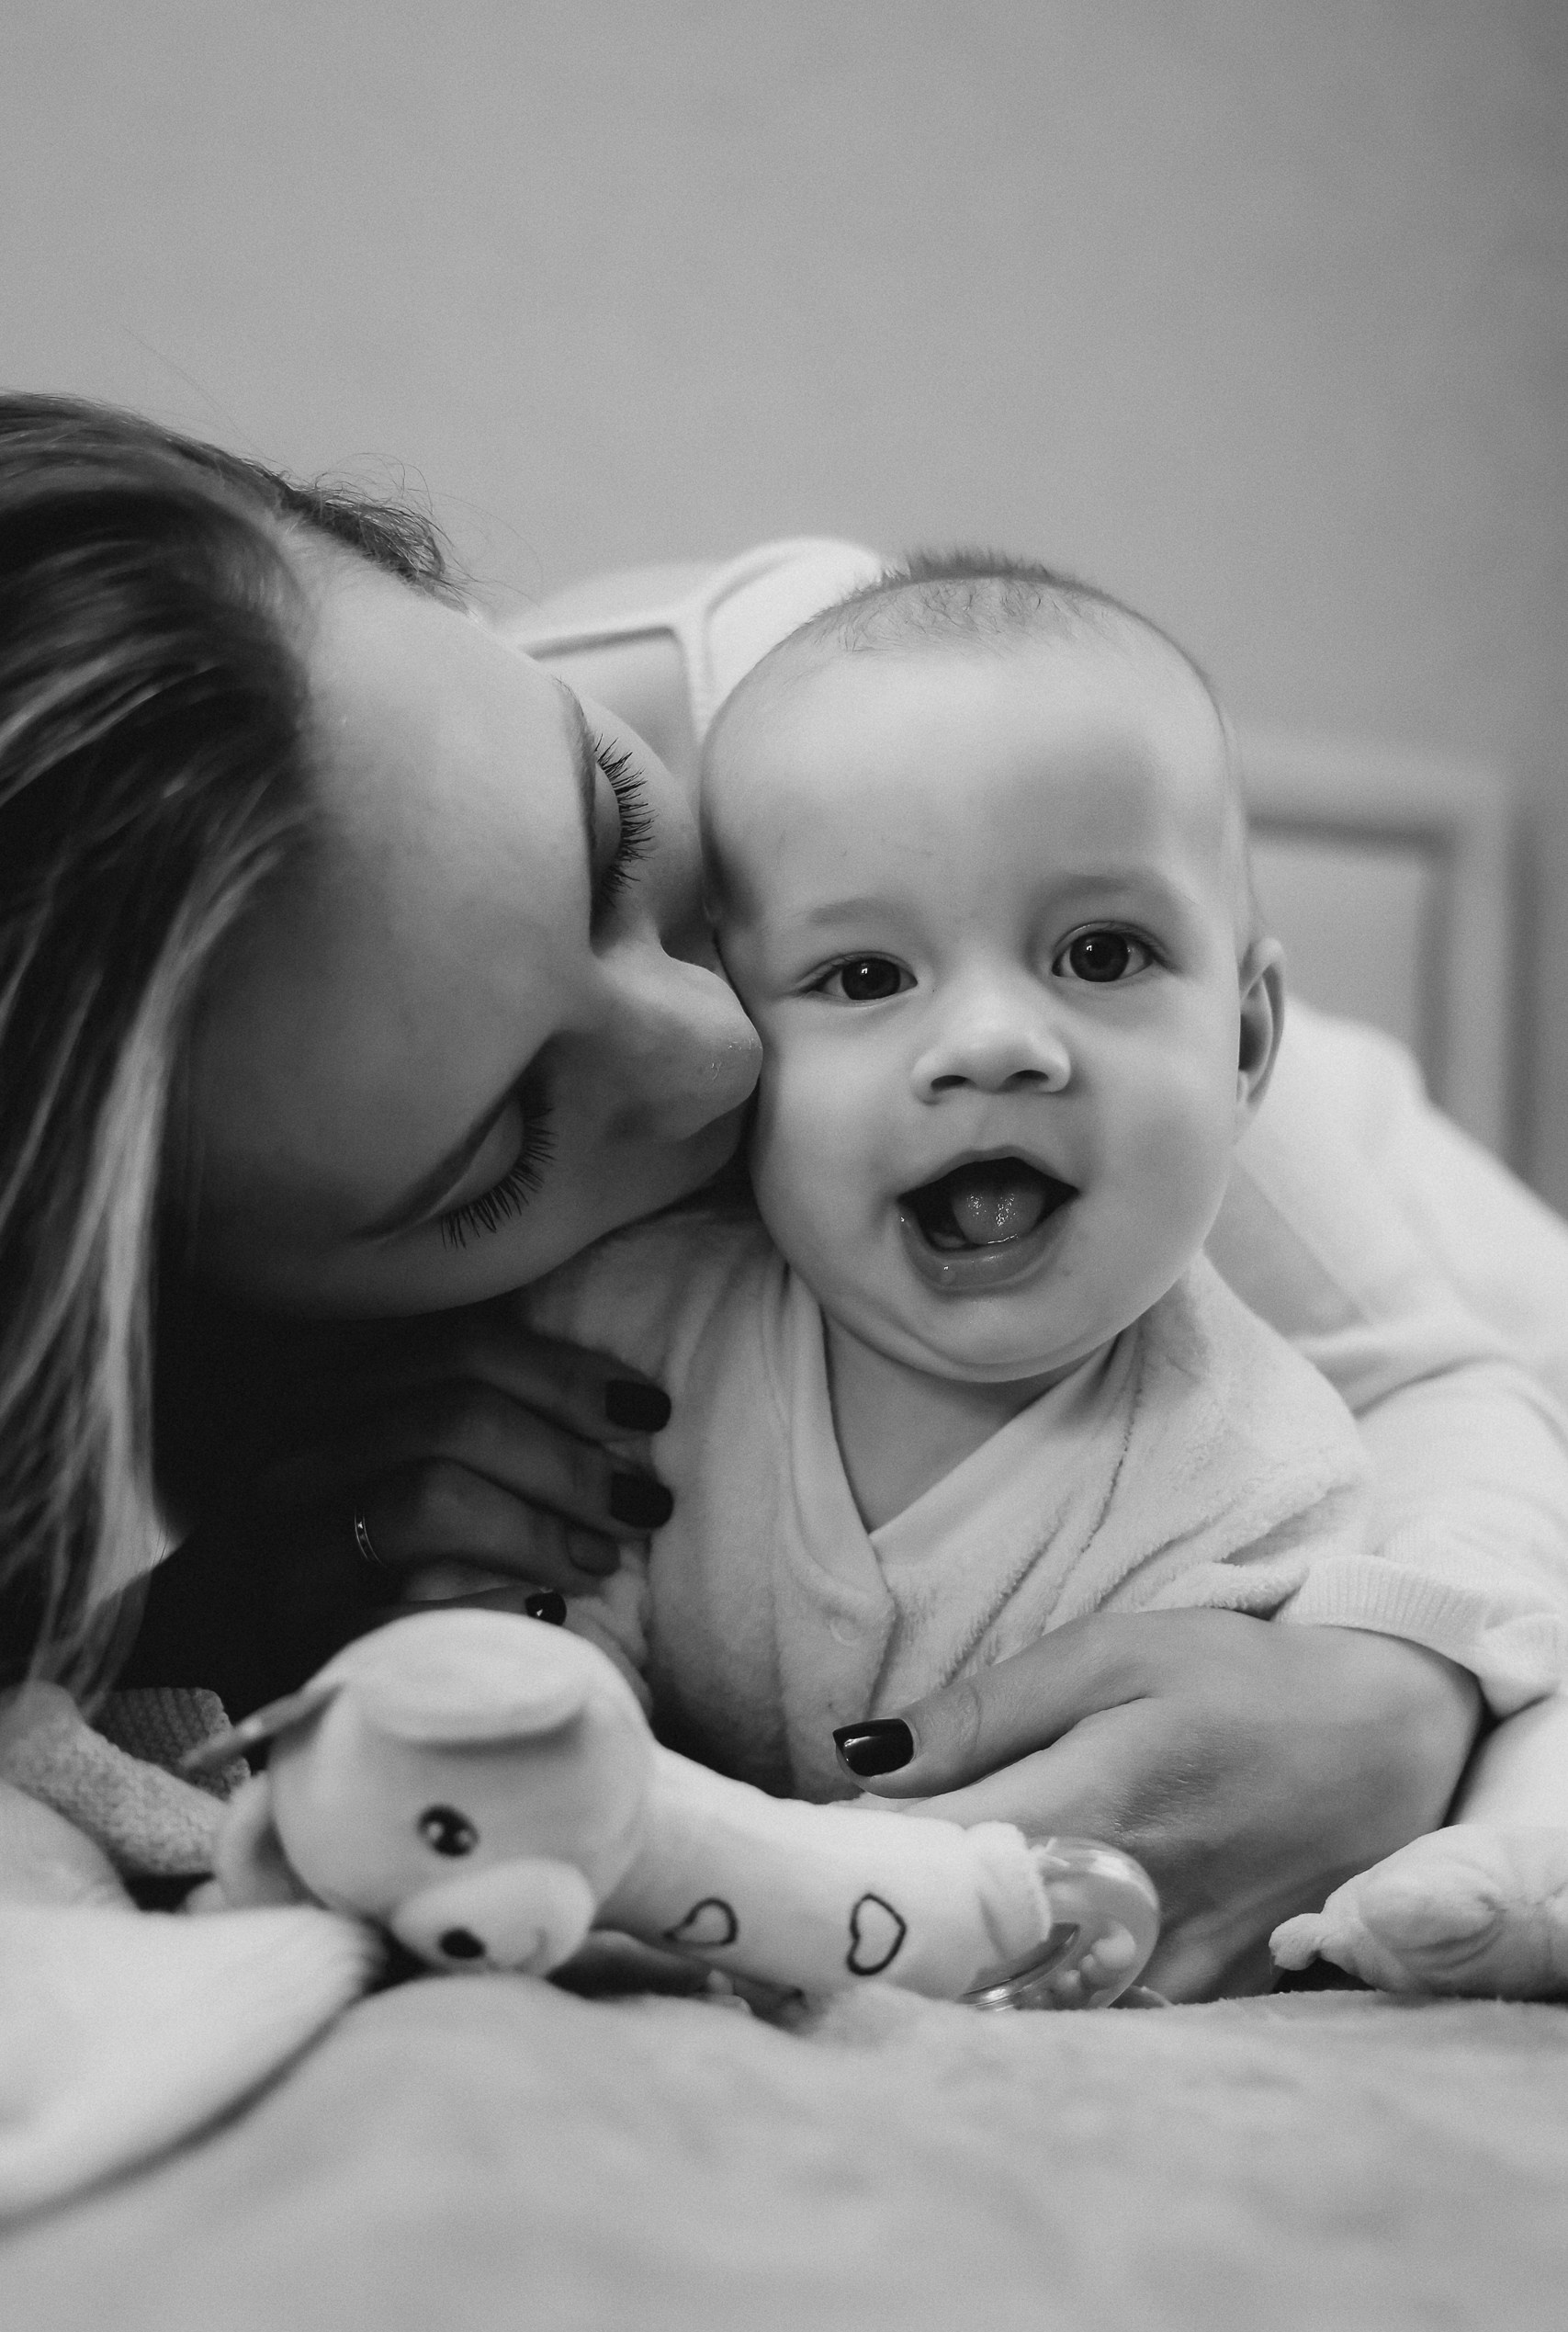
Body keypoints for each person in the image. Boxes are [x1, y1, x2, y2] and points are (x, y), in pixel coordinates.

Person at [1, 395, 1562, 2001]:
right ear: (218, 1304)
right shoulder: (122, 1346)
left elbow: (1441, 1381)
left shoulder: (892, 712)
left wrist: (1401, 1689)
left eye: (615, 832)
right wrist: (267, 1563)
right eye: (503, 1148)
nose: (720, 1045)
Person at [523, 561, 1563, 1841]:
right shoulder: (643, 1329)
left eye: (1101, 954)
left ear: (1247, 1042)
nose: (993, 1041)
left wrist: (1414, 1674)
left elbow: (1436, 1389)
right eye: (864, 976)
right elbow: (517, 1645)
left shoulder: (1257, 1476)